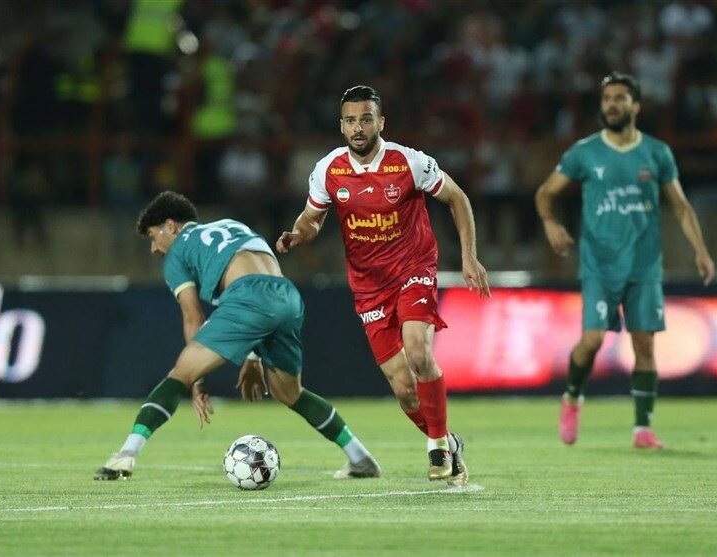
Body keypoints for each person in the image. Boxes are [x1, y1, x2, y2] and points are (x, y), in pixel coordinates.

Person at [277, 85, 491, 486]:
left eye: (366, 119)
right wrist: (298, 234)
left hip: (413, 269)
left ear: (381, 122)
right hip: (369, 286)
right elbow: (312, 219)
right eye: (351, 121)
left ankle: (436, 448)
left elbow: (457, 198)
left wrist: (468, 256)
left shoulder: (410, 162)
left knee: (418, 351)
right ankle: (449, 442)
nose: (358, 128)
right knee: (404, 389)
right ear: (342, 126)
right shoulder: (328, 170)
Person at [94, 191, 380, 480]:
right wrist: (254, 356)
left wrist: (196, 380)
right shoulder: (232, 225)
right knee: (289, 392)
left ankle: (126, 454)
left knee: (179, 375)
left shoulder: (177, 253)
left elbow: (193, 317)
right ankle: (360, 458)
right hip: (286, 297)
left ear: (171, 226)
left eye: (153, 236)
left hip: (247, 298)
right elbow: (266, 287)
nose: (154, 248)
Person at [535, 72, 715, 449]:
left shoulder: (656, 152)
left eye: (620, 98)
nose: (612, 105)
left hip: (644, 265)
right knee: (592, 340)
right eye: (607, 99)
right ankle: (572, 396)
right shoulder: (585, 152)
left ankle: (642, 429)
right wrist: (551, 224)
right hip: (600, 264)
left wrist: (700, 249)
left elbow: (680, 206)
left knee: (644, 345)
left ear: (636, 106)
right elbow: (545, 193)